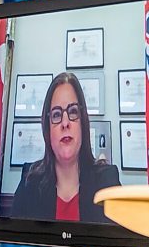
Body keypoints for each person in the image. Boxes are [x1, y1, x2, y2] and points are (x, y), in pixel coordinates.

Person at [11, 72, 120, 223]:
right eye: (56, 115)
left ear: (83, 123)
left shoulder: (107, 181)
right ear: (48, 129)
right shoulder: (29, 182)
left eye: (73, 112)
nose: (65, 122)